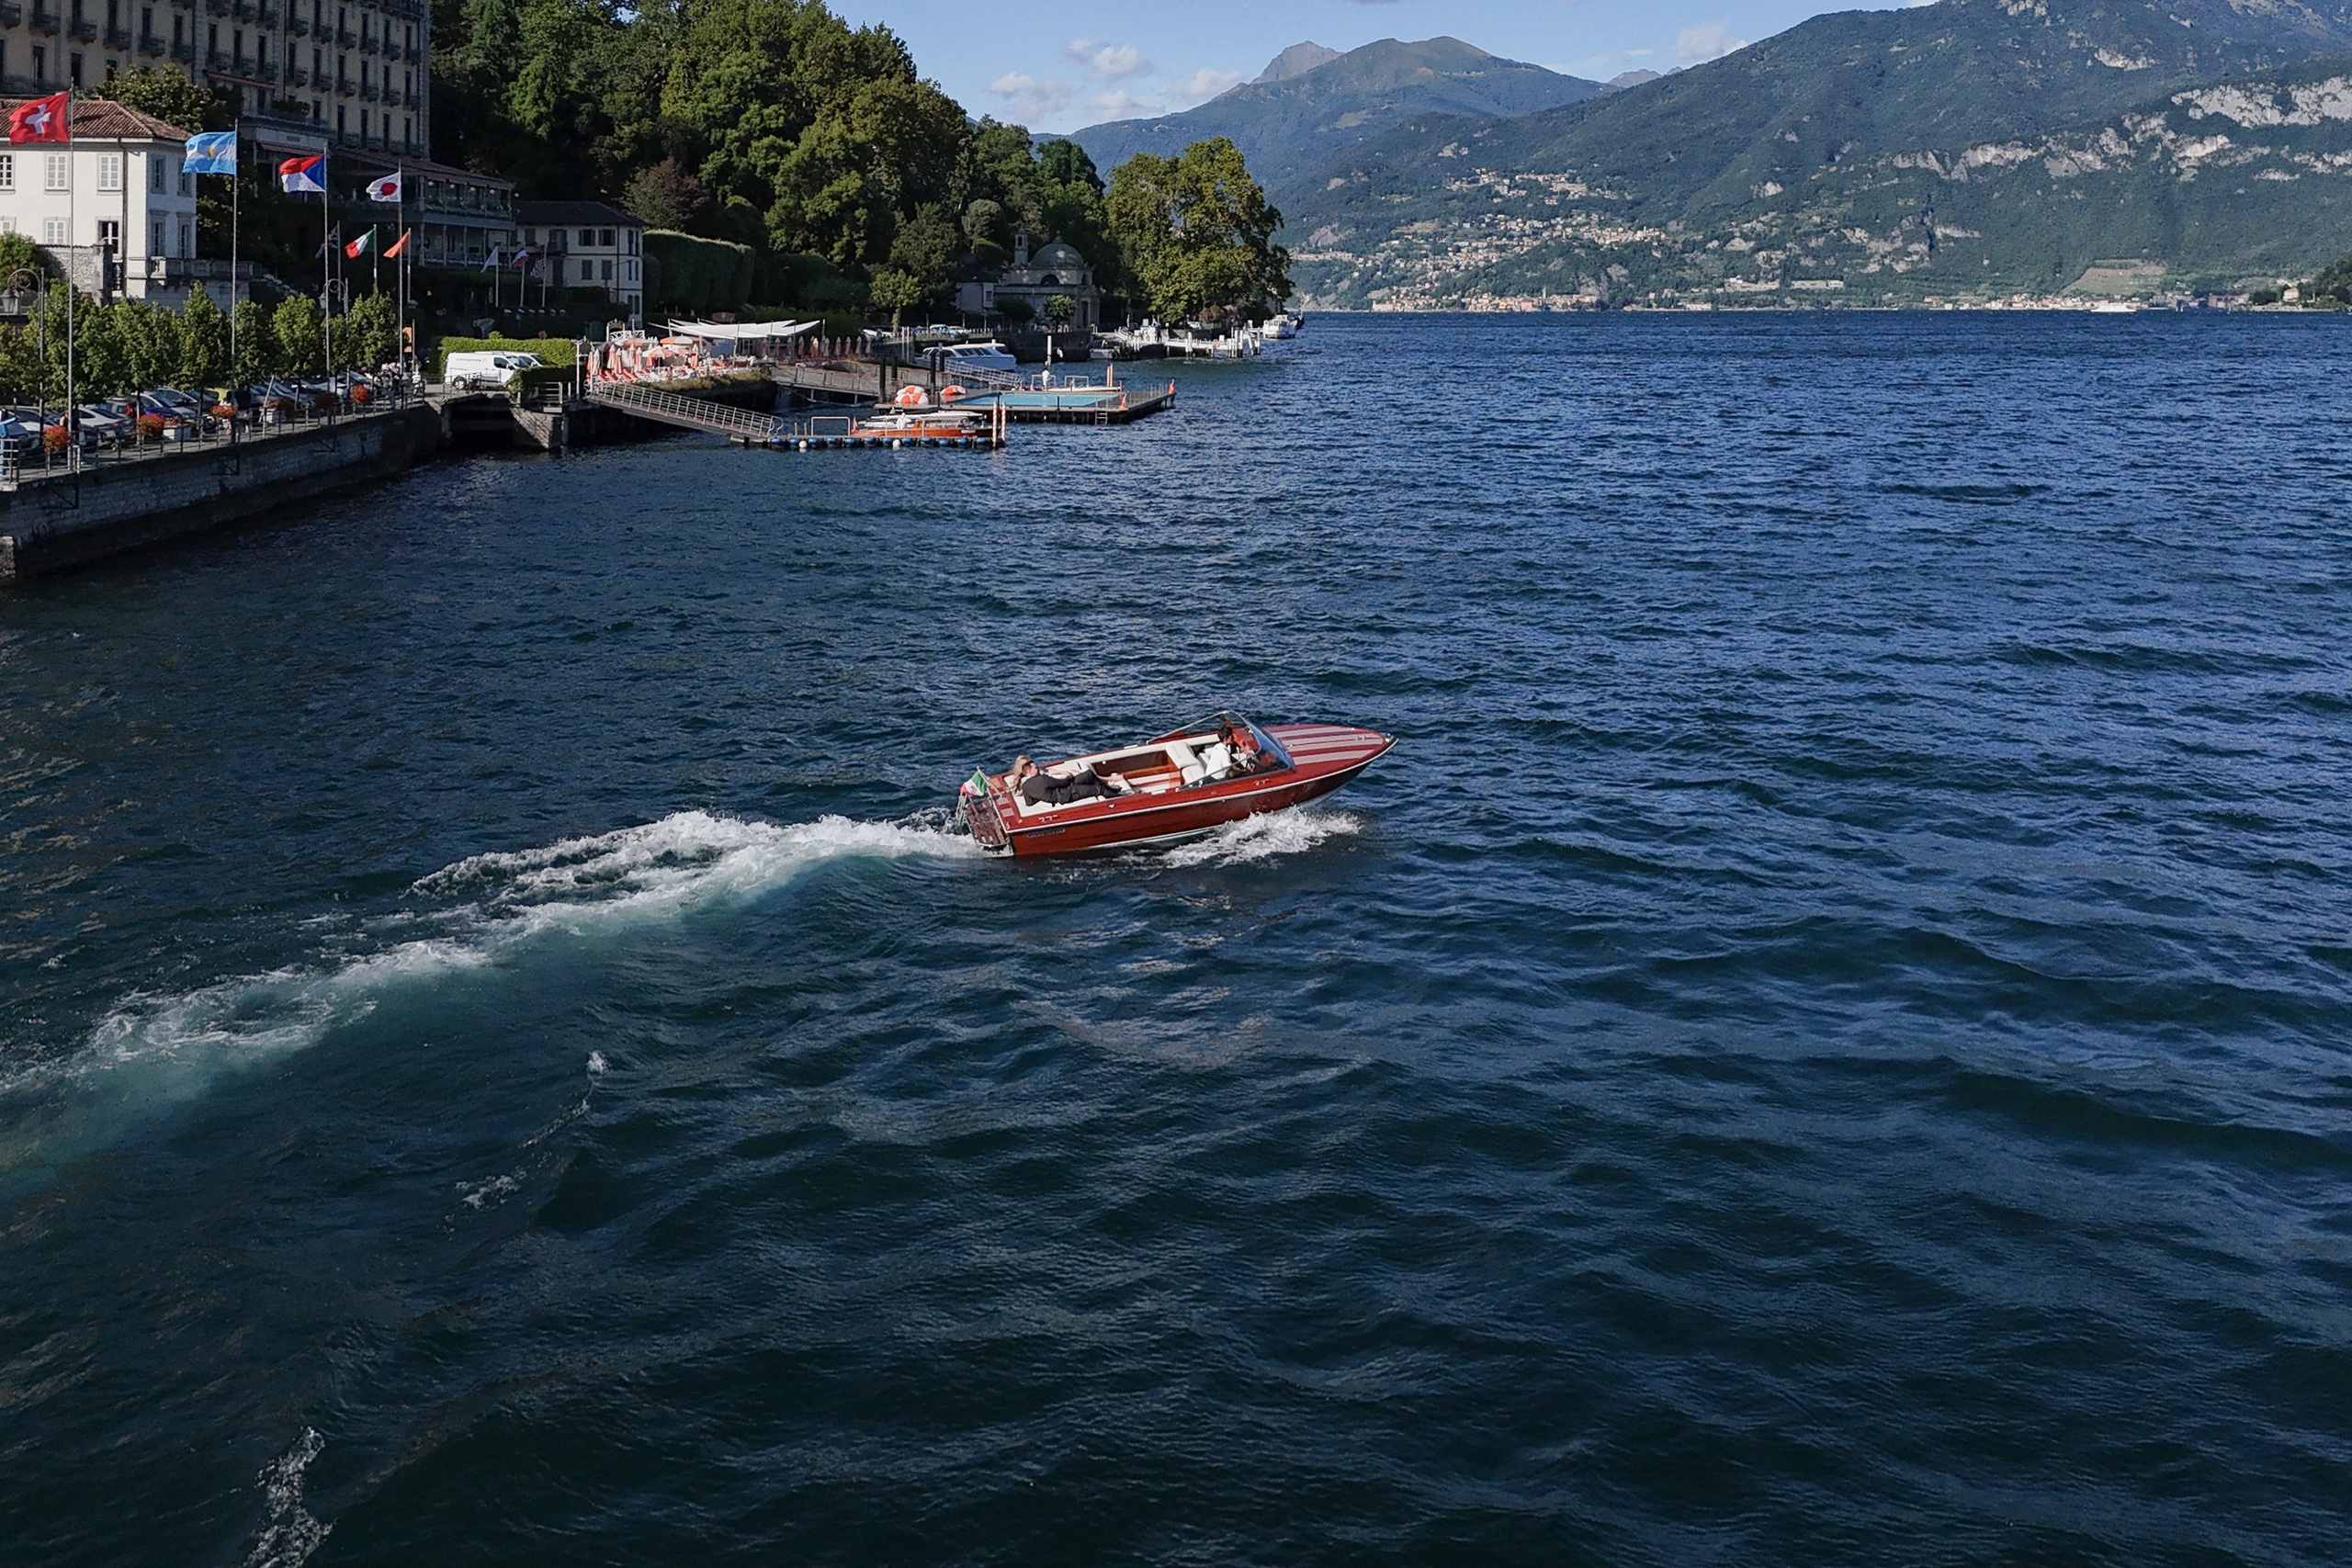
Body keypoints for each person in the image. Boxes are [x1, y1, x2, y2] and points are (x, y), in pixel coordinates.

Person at [1012, 755, 1130, 807]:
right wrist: (1068, 775)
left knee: (1088, 775)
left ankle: (1110, 789)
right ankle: (1122, 798)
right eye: (1036, 768)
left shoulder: (1025, 785)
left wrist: (1043, 796)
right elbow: (1064, 782)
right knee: (1097, 789)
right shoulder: (1043, 780)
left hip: (1064, 789)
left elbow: (1029, 802)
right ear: (1029, 771)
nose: (1038, 768)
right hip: (1067, 794)